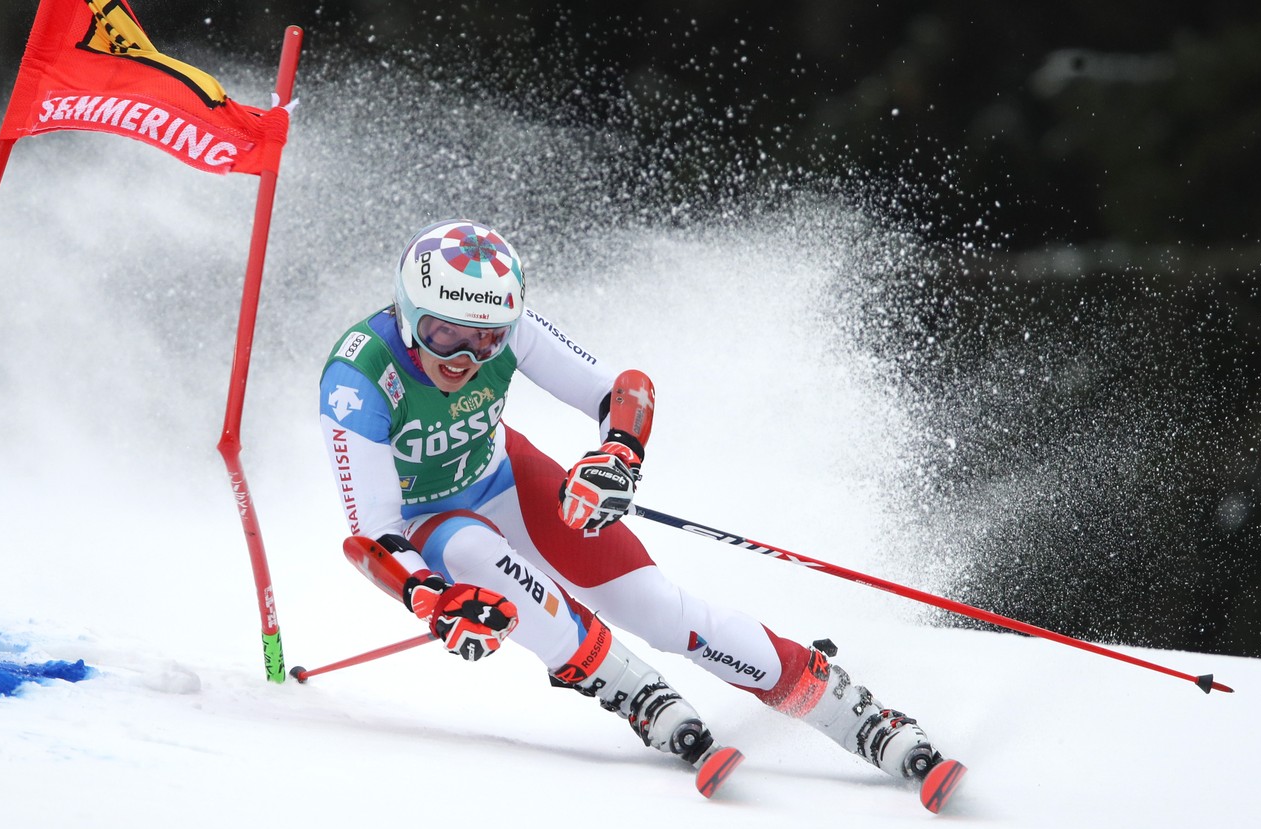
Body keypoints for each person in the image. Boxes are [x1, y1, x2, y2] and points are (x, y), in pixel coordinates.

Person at [318, 219, 947, 783]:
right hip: (424, 519)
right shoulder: (362, 378)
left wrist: (616, 454)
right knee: (473, 551)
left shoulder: (510, 332)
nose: (465, 357)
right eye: (444, 334)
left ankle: (850, 711)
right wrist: (433, 596)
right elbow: (375, 532)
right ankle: (631, 688)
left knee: (656, 608)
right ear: (407, 314)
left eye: (484, 341)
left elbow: (619, 389)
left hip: (505, 477)